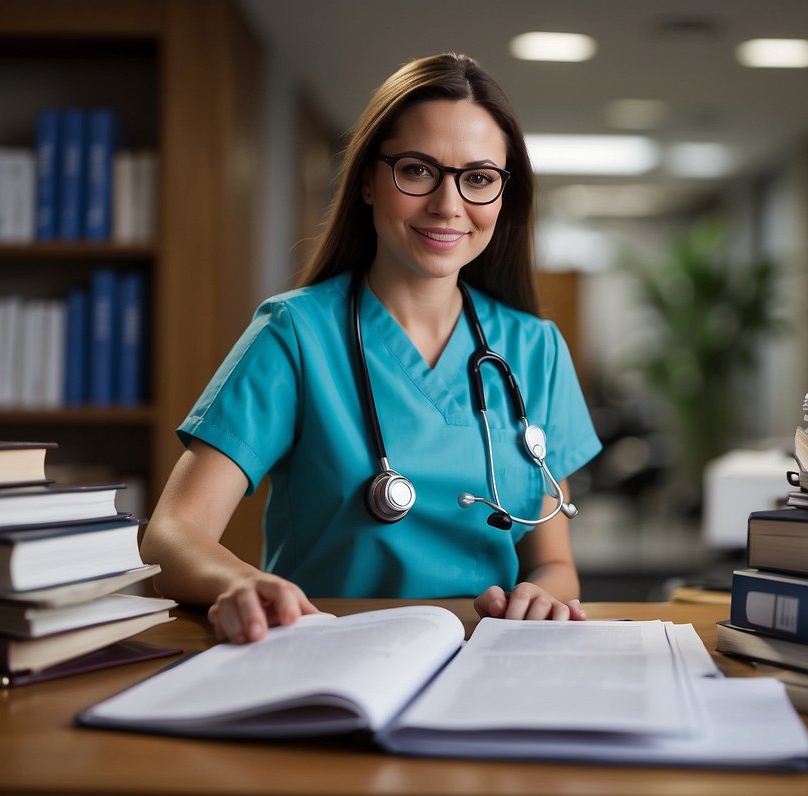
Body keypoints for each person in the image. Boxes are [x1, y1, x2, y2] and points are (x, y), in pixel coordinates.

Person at [142, 52, 602, 643]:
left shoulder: (535, 348)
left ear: (503, 196)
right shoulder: (296, 334)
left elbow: (555, 566)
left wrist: (542, 596)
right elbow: (173, 531)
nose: (448, 204)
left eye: (479, 178)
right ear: (365, 179)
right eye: (417, 170)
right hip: (330, 654)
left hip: (489, 659)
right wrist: (238, 583)